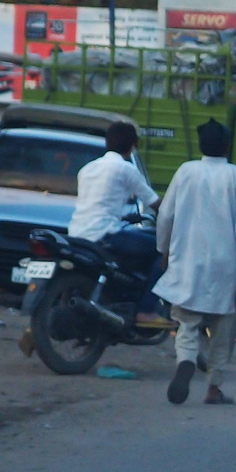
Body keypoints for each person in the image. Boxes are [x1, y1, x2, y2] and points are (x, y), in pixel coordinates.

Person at [154, 118, 236, 406]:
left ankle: (186, 359)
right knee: (222, 330)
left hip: (186, 262)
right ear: (227, 146)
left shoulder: (186, 171)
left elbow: (165, 215)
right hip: (224, 265)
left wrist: (163, 249)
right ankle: (213, 388)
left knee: (186, 322)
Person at [68, 121, 166, 326]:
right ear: (132, 146)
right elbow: (155, 203)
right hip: (106, 234)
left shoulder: (87, 168)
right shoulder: (126, 169)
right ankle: (146, 309)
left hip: (77, 234)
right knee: (165, 248)